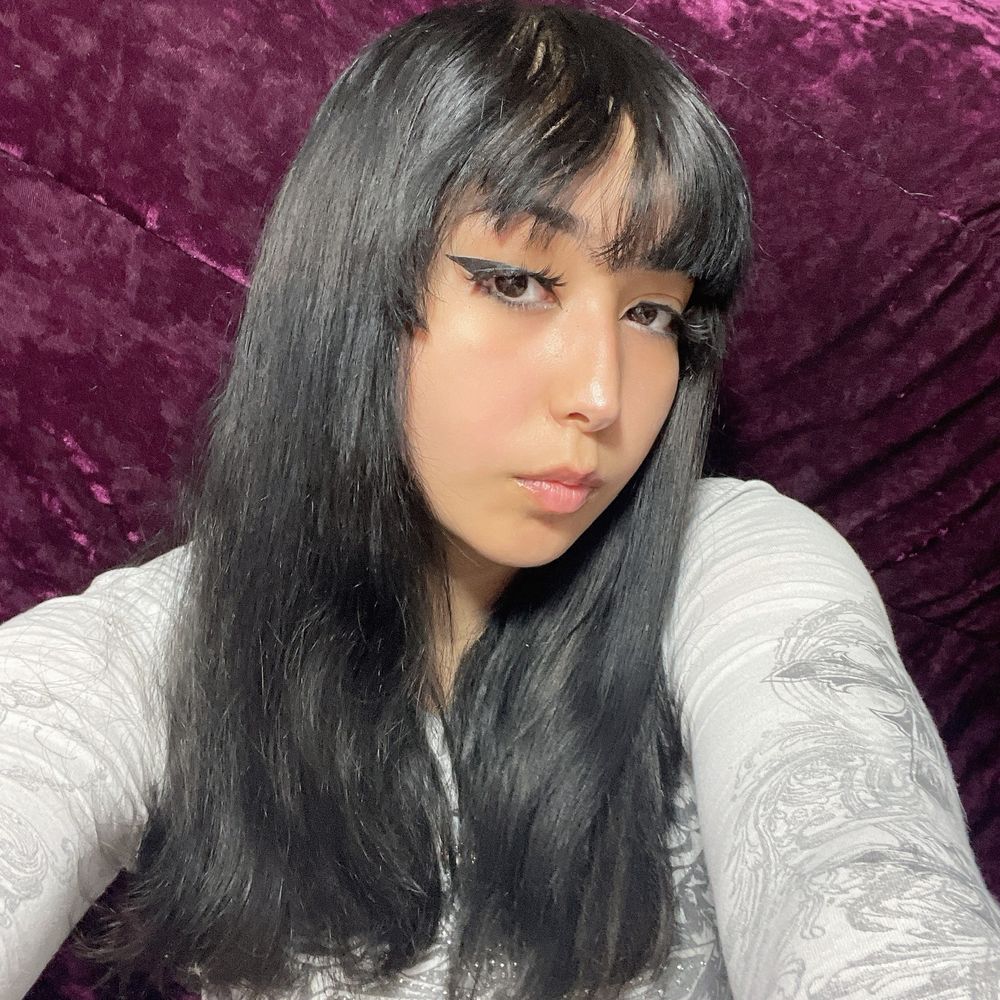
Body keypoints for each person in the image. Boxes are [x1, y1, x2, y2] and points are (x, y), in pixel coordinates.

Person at [2, 1, 999, 999]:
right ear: (347, 287)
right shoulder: (163, 646)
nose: (602, 394)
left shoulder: (736, 566)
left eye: (651, 312)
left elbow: (865, 865)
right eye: (519, 282)